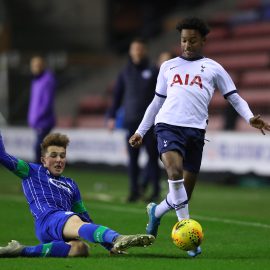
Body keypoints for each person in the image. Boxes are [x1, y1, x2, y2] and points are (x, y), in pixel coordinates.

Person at [128, 17, 270, 257]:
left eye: (192, 40)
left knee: (183, 195)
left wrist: (249, 118)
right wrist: (141, 131)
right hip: (168, 126)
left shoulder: (214, 68)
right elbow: (156, 103)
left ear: (203, 41)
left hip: (195, 133)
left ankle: (156, 212)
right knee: (174, 173)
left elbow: (233, 97)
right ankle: (190, 239)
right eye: (183, 40)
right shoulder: (168, 67)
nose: (187, 45)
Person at [0, 132, 155, 258]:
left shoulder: (71, 184)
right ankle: (117, 237)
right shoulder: (31, 171)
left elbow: (85, 218)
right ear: (44, 160)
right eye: (54, 155)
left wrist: (109, 246)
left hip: (61, 226)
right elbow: (3, 157)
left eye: (62, 156)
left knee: (81, 249)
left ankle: (22, 250)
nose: (59, 160)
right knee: (74, 219)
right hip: (48, 219)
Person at [107, 38, 161, 203]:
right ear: (130, 52)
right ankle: (133, 191)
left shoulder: (154, 71)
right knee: (133, 159)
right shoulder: (125, 72)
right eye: (134, 49)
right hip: (131, 121)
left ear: (144, 51)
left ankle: (155, 191)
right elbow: (117, 96)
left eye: (139, 49)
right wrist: (111, 116)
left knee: (153, 157)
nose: (137, 52)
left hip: (150, 123)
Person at [28, 55, 56, 163]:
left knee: (38, 149)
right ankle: (42, 175)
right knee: (40, 149)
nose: (34, 68)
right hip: (37, 121)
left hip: (44, 121)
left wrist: (36, 117)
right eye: (33, 66)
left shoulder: (47, 80)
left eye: (36, 65)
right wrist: (31, 118)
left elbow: (46, 103)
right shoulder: (36, 81)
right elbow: (34, 102)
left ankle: (39, 175)